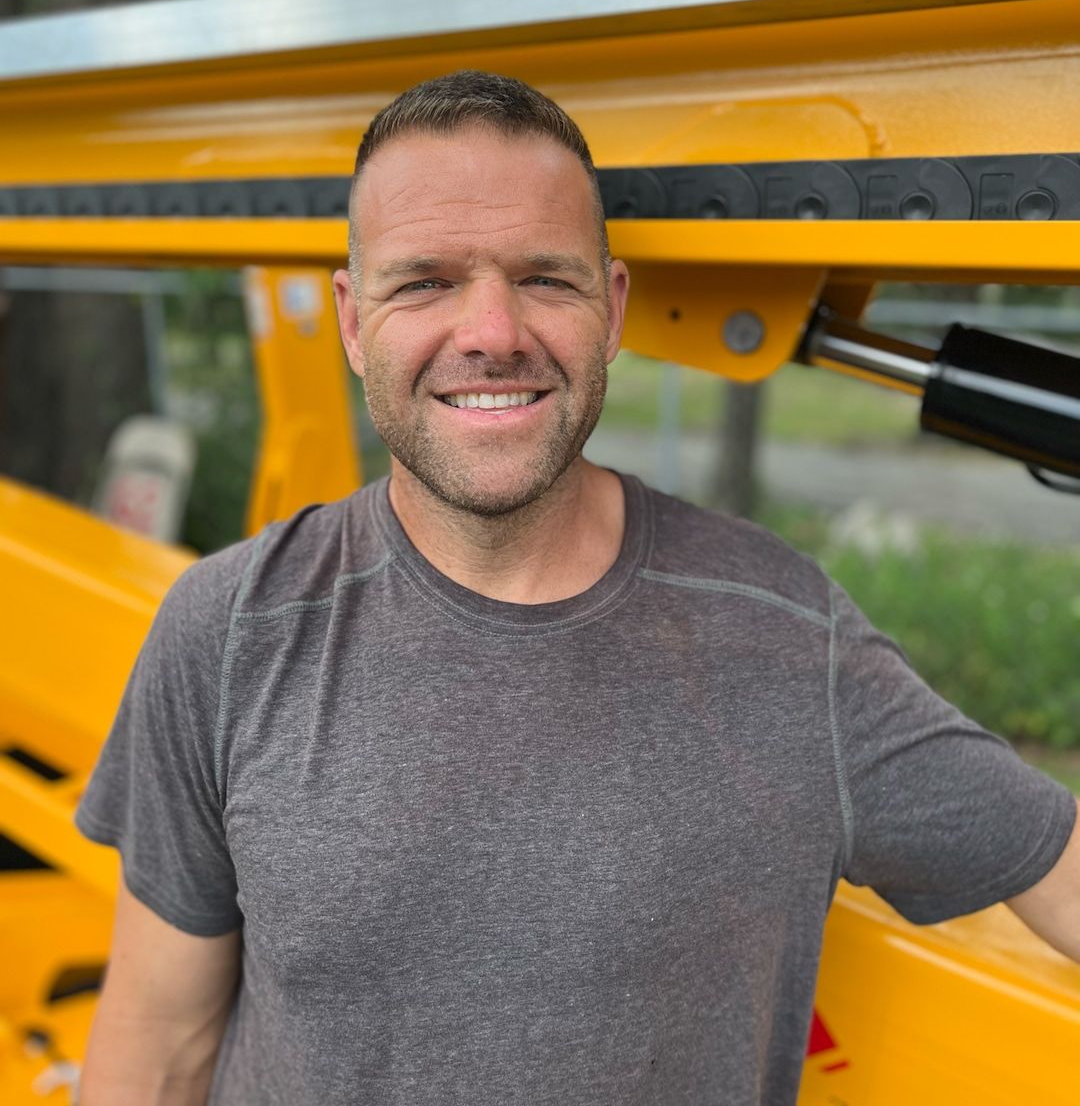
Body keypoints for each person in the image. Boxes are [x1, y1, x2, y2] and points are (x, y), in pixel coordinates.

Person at [76, 70, 1079, 1106]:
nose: (493, 331)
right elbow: (157, 1048)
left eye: (547, 278)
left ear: (613, 310)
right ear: (350, 317)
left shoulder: (788, 641)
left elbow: (1061, 870)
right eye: (424, 280)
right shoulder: (232, 628)